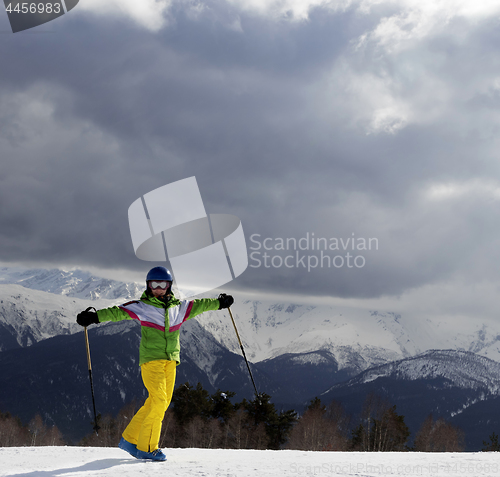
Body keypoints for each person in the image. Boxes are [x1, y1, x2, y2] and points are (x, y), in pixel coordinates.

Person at [76, 266, 234, 461]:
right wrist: (94, 317)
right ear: (148, 286)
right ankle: (147, 448)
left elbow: (201, 304)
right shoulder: (143, 306)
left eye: (162, 284)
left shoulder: (180, 308)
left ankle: (129, 439)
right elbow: (118, 312)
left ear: (169, 286)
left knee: (158, 402)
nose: (158, 288)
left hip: (171, 361)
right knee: (159, 401)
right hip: (151, 361)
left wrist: (220, 302)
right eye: (154, 284)